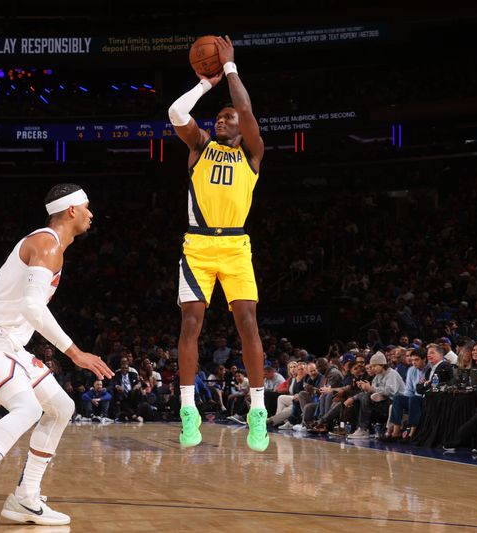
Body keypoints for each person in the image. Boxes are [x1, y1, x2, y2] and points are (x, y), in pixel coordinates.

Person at [0, 184, 113, 530]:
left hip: (1, 341)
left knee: (62, 407)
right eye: (88, 207)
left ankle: (25, 499)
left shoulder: (50, 245)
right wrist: (74, 352)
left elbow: (18, 310)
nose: (92, 215)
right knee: (28, 408)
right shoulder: (47, 243)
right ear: (71, 211)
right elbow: (32, 307)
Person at [168, 35, 268, 451]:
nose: (222, 121)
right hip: (198, 246)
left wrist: (229, 69)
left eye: (227, 119)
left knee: (248, 323)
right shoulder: (200, 147)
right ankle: (188, 410)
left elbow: (244, 108)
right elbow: (176, 111)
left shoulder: (252, 154)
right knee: (191, 324)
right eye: (219, 119)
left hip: (236, 247)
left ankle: (258, 410)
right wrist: (206, 83)